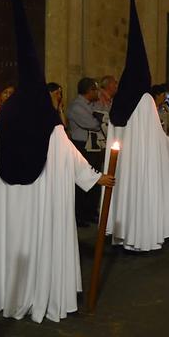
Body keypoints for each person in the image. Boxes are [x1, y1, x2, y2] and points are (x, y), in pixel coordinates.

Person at [0, 0, 113, 324]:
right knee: (41, 238)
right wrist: (98, 178)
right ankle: (43, 293)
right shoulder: (47, 121)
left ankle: (9, 295)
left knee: (15, 237)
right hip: (40, 202)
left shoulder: (5, 117)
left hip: (11, 202)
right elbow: (70, 156)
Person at [103, 0, 169, 251]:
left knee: (127, 191)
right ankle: (142, 239)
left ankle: (122, 234)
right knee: (143, 193)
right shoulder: (146, 101)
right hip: (144, 164)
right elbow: (157, 138)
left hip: (124, 163)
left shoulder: (120, 101)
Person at [67, 77, 103, 226]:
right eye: (96, 89)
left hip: (92, 146)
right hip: (81, 147)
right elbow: (93, 124)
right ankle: (79, 214)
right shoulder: (77, 106)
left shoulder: (91, 105)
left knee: (94, 181)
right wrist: (99, 118)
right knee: (82, 181)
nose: (99, 92)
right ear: (90, 90)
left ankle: (90, 212)